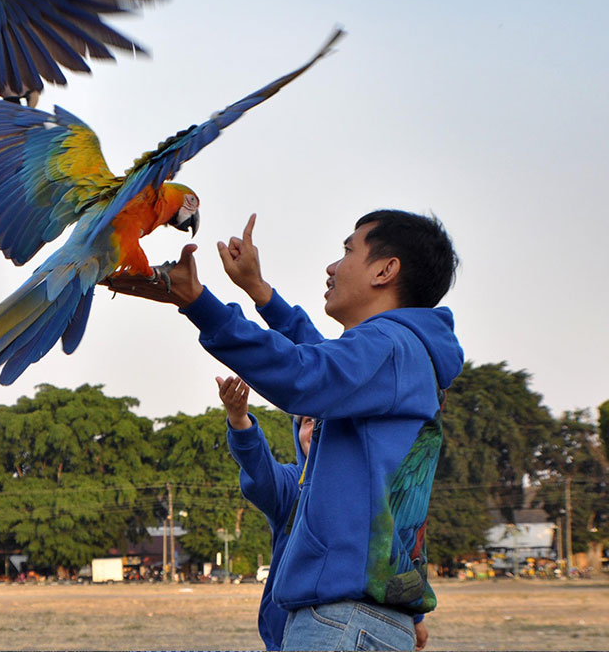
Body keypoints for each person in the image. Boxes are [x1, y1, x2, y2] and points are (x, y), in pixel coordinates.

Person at [105, 209, 461, 651]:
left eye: (348, 250)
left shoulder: (389, 345)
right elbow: (322, 357)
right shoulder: (404, 353)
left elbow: (304, 374)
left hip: (343, 621)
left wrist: (199, 302)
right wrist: (259, 292)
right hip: (363, 619)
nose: (333, 266)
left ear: (386, 270)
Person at [218, 376, 429, 651]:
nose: (317, 428)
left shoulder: (374, 487)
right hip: (295, 632)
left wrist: (416, 615)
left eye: (325, 420)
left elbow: (402, 548)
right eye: (307, 421)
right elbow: (259, 470)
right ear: (297, 434)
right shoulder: (291, 484)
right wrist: (239, 420)